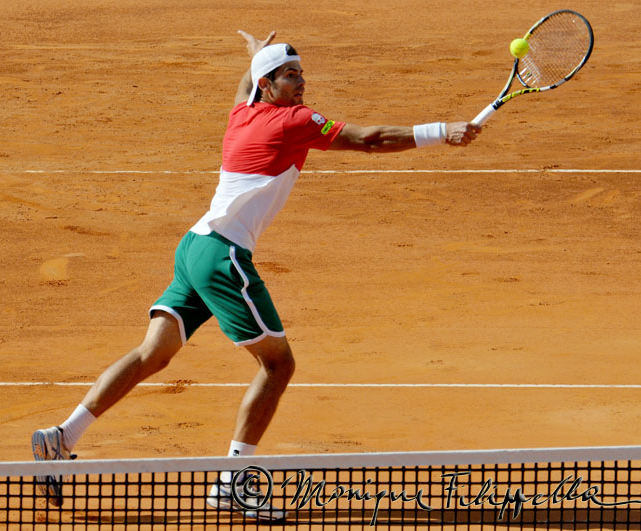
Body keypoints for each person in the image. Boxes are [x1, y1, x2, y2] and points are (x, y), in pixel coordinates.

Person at [31, 30, 481, 520]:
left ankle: (62, 437)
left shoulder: (242, 112)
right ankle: (232, 483)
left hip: (194, 247)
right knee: (278, 365)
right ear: (268, 84)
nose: (301, 83)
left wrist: (256, 59)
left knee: (151, 355)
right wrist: (442, 131)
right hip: (224, 257)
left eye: (302, 73)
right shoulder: (296, 121)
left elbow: (245, 85)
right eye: (289, 75)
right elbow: (368, 140)